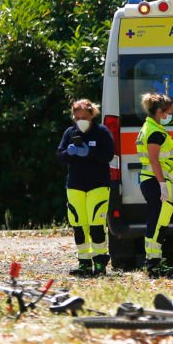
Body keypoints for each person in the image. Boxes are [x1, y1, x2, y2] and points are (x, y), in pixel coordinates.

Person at [57, 99, 114, 276]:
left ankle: (99, 262)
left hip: (98, 185)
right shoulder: (70, 132)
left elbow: (109, 155)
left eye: (84, 116)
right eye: (77, 116)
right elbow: (60, 155)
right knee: (79, 225)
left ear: (92, 115)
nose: (81, 119)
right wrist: (69, 152)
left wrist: (89, 153)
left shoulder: (101, 132)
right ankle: (84, 262)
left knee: (96, 224)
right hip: (75, 185)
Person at [136, 93, 173, 278]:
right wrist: (162, 183)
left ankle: (154, 260)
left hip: (151, 180)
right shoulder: (154, 131)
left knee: (157, 220)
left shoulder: (150, 127)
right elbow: (154, 159)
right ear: (160, 111)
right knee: (157, 222)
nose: (170, 116)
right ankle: (153, 263)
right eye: (169, 112)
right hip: (155, 181)